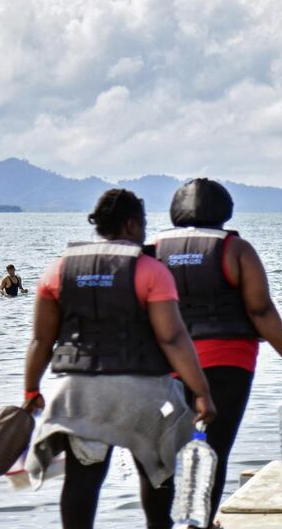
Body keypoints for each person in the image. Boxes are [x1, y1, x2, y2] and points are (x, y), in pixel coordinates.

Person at [22, 189, 215, 529]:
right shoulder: (150, 271)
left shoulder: (58, 270)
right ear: (130, 225)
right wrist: (201, 391)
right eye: (141, 224)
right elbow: (171, 337)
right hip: (144, 393)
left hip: (79, 394)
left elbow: (41, 339)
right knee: (158, 475)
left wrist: (30, 390)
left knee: (82, 480)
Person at [150, 178, 282, 523]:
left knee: (162, 454)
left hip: (166, 363)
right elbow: (260, 310)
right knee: (213, 448)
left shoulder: (154, 249)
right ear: (225, 211)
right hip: (227, 360)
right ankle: (200, 523)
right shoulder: (236, 250)